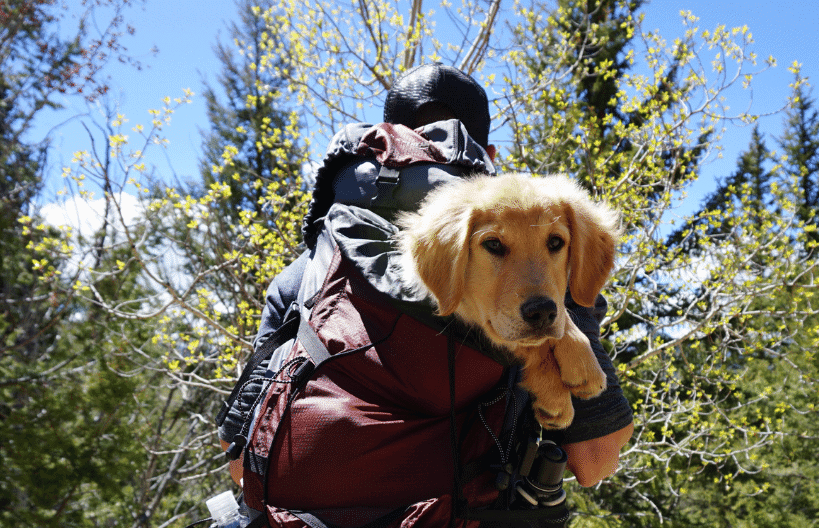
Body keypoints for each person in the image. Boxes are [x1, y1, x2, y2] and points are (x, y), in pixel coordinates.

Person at [217, 63, 633, 489]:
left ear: (389, 144)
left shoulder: (310, 270)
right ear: (488, 157)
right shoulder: (545, 269)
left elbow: (240, 465)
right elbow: (594, 459)